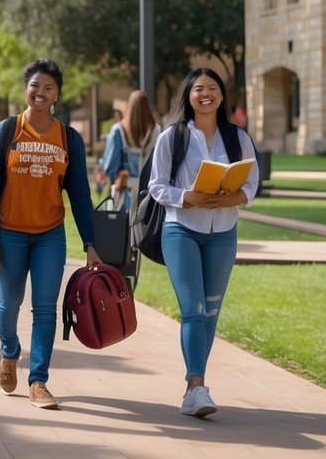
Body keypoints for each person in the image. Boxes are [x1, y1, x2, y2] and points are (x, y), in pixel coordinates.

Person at [0, 58, 101, 410]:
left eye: (48, 88)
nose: (41, 93)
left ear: (57, 95)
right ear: (25, 90)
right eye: (35, 86)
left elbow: (79, 194)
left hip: (50, 234)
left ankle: (38, 381)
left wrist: (90, 244)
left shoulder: (68, 138)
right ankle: (8, 353)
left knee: (45, 308)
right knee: (10, 303)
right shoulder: (6, 132)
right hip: (9, 232)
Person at [148, 67, 258, 418]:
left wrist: (232, 198)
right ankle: (197, 386)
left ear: (222, 96)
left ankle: (194, 387)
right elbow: (156, 185)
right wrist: (188, 197)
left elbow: (252, 182)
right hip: (181, 229)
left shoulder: (237, 137)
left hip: (223, 233)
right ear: (189, 96)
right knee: (193, 309)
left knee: (210, 312)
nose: (206, 94)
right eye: (198, 89)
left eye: (212, 88)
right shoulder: (173, 136)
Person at [100, 90, 160, 211]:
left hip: (125, 190)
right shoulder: (157, 130)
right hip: (150, 192)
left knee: (122, 227)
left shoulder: (118, 130)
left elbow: (110, 166)